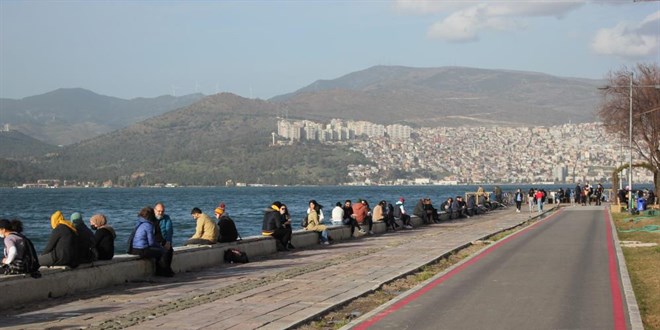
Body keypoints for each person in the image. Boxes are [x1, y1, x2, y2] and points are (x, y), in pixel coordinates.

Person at [129, 206, 170, 277]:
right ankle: (162, 272)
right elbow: (151, 242)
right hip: (142, 250)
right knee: (163, 252)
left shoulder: (139, 222)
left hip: (134, 249)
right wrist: (160, 247)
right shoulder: (148, 225)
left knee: (158, 251)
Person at [154, 202, 174, 276]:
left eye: (162, 211)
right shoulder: (151, 219)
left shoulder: (166, 218)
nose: (160, 213)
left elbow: (169, 230)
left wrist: (168, 241)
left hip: (164, 240)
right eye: (159, 211)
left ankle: (167, 269)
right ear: (154, 210)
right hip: (155, 241)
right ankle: (164, 270)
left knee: (169, 250)